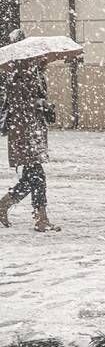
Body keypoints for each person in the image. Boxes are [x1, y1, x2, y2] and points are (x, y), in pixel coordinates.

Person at [0, 29, 60, 232]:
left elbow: (32, 101)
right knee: (37, 175)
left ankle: (5, 205)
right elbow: (20, 106)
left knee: (32, 176)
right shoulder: (18, 75)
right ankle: (40, 218)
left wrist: (42, 104)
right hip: (24, 132)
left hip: (32, 130)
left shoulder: (32, 72)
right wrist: (39, 103)